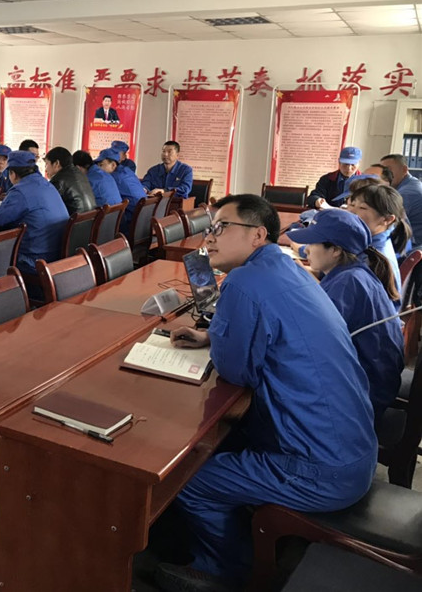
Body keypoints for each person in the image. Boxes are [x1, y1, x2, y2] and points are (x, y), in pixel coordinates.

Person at [155, 194, 377, 592]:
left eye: (222, 227)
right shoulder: (288, 269)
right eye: (209, 228)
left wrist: (223, 336)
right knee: (224, 438)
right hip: (353, 451)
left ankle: (224, 574)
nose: (210, 237)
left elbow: (235, 370)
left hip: (321, 471)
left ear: (258, 235)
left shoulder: (243, 282)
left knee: (190, 481)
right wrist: (215, 333)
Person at [287, 209, 403, 421]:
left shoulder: (348, 284)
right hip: (372, 384)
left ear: (336, 250)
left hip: (362, 397)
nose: (307, 250)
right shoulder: (352, 273)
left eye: (312, 243)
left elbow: (309, 344)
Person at [0, 150, 68, 274]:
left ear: (12, 174)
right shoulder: (46, 184)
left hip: (34, 260)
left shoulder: (20, 191)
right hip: (57, 254)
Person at [345, 183, 411, 302]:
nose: (351, 211)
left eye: (362, 208)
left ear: (387, 219)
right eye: (352, 205)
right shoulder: (366, 243)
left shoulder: (375, 259)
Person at [379, 154, 422, 246]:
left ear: (404, 170)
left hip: (411, 247)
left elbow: (383, 222)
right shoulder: (411, 183)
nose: (383, 175)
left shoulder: (407, 193)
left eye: (388, 170)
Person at [98, 148, 145, 230]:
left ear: (113, 165)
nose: (98, 168)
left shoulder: (113, 178)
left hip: (129, 221)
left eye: (101, 165)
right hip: (141, 220)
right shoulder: (126, 171)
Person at [44, 146, 96, 215]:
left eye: (47, 164)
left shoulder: (58, 180)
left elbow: (48, 205)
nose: (45, 169)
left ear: (56, 163)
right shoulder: (80, 173)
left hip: (74, 220)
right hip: (89, 218)